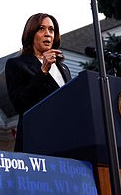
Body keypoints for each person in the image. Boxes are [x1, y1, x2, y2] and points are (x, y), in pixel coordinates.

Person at [5, 13, 71, 151]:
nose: (48, 34)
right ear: (31, 33)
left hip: (65, 138)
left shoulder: (64, 68)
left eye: (51, 30)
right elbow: (20, 104)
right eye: (41, 29)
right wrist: (43, 71)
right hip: (37, 140)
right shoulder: (16, 64)